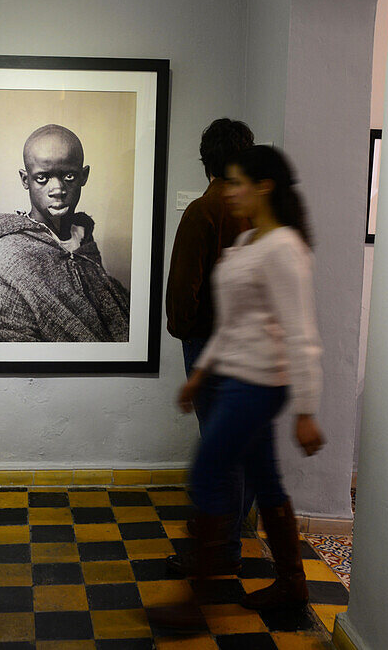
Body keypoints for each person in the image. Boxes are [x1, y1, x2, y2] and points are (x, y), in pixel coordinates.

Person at [148, 144, 326, 633]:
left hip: (260, 384)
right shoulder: (248, 242)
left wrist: (307, 410)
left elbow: (302, 334)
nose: (231, 192)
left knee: (207, 474)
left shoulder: (284, 247)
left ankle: (196, 600)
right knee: (265, 480)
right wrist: (201, 374)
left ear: (263, 186)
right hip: (235, 378)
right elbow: (231, 325)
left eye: (238, 182)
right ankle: (292, 582)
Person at [164, 118, 254, 575]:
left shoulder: (203, 211)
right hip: (254, 348)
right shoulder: (260, 210)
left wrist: (183, 329)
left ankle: (222, 550)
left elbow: (184, 292)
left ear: (207, 163)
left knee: (220, 449)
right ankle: (232, 535)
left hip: (211, 345)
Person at [0, 123, 130, 342]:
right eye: (42, 178)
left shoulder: (82, 241)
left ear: (84, 176)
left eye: (69, 177)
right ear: (25, 180)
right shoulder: (3, 255)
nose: (57, 190)